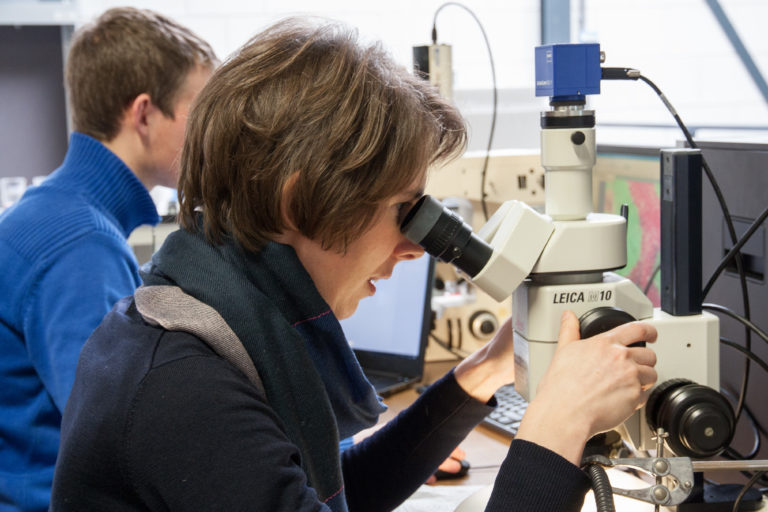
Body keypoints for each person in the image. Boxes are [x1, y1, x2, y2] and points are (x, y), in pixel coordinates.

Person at [50, 18, 657, 512]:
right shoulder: (184, 386)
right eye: (403, 210)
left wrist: (480, 375)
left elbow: (337, 493)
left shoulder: (221, 308)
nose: (417, 246)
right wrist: (554, 429)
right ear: (298, 200)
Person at [0, 8, 216, 511]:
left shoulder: (53, 214)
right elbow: (129, 437)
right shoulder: (80, 247)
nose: (214, 134)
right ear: (143, 113)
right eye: (201, 113)